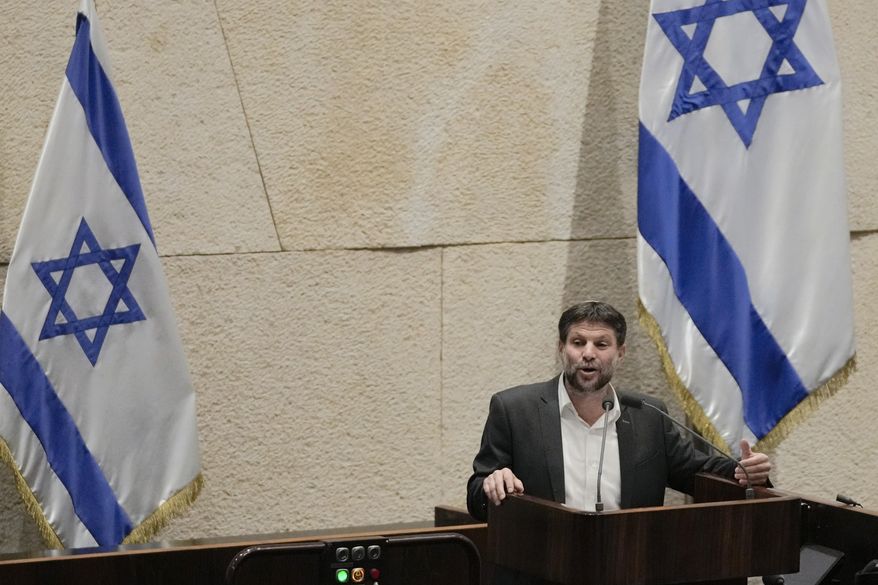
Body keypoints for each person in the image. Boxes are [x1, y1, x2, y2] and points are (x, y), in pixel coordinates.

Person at [467, 301, 771, 521]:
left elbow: (694, 472)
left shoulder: (649, 415)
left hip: (629, 565)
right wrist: (492, 484)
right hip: (542, 568)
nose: (588, 354)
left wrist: (741, 471)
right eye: (578, 342)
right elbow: (477, 494)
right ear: (561, 348)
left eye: (601, 344)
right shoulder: (514, 410)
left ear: (620, 354)